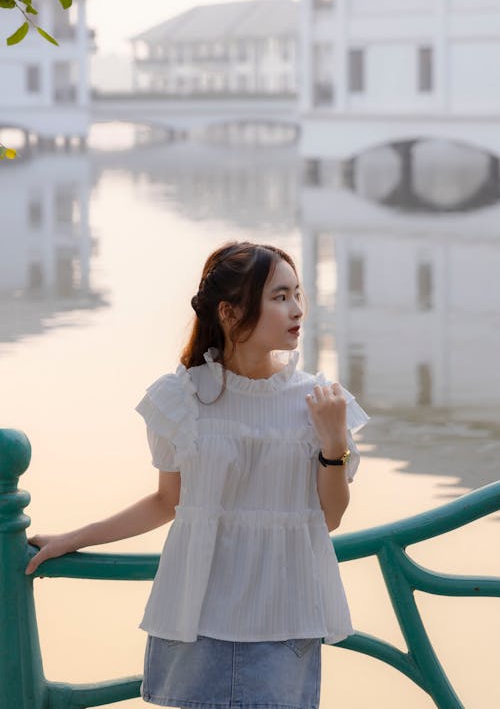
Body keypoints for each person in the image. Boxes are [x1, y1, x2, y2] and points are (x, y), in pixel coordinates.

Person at [25, 240, 369, 709]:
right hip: (199, 612)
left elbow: (329, 517)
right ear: (230, 313)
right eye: (279, 297)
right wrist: (72, 539)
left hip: (285, 612)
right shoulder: (184, 397)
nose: (296, 310)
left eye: (296, 294)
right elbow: (168, 502)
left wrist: (334, 443)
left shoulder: (319, 401)